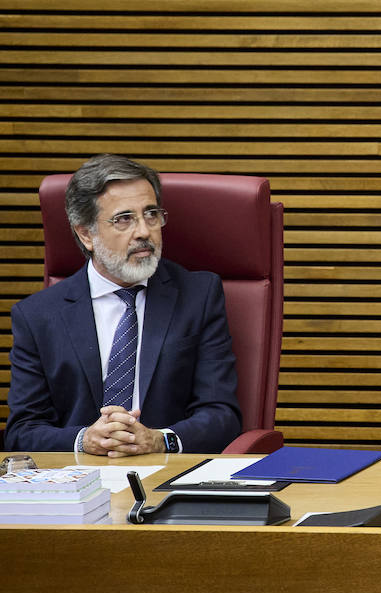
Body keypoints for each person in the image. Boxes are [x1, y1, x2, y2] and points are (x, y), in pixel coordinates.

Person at [5, 154, 241, 455]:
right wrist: (84, 441)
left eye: (151, 214)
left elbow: (222, 415)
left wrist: (158, 440)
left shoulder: (198, 296)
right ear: (86, 234)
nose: (144, 231)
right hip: (77, 483)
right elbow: (23, 430)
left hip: (168, 476)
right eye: (124, 219)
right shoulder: (37, 316)